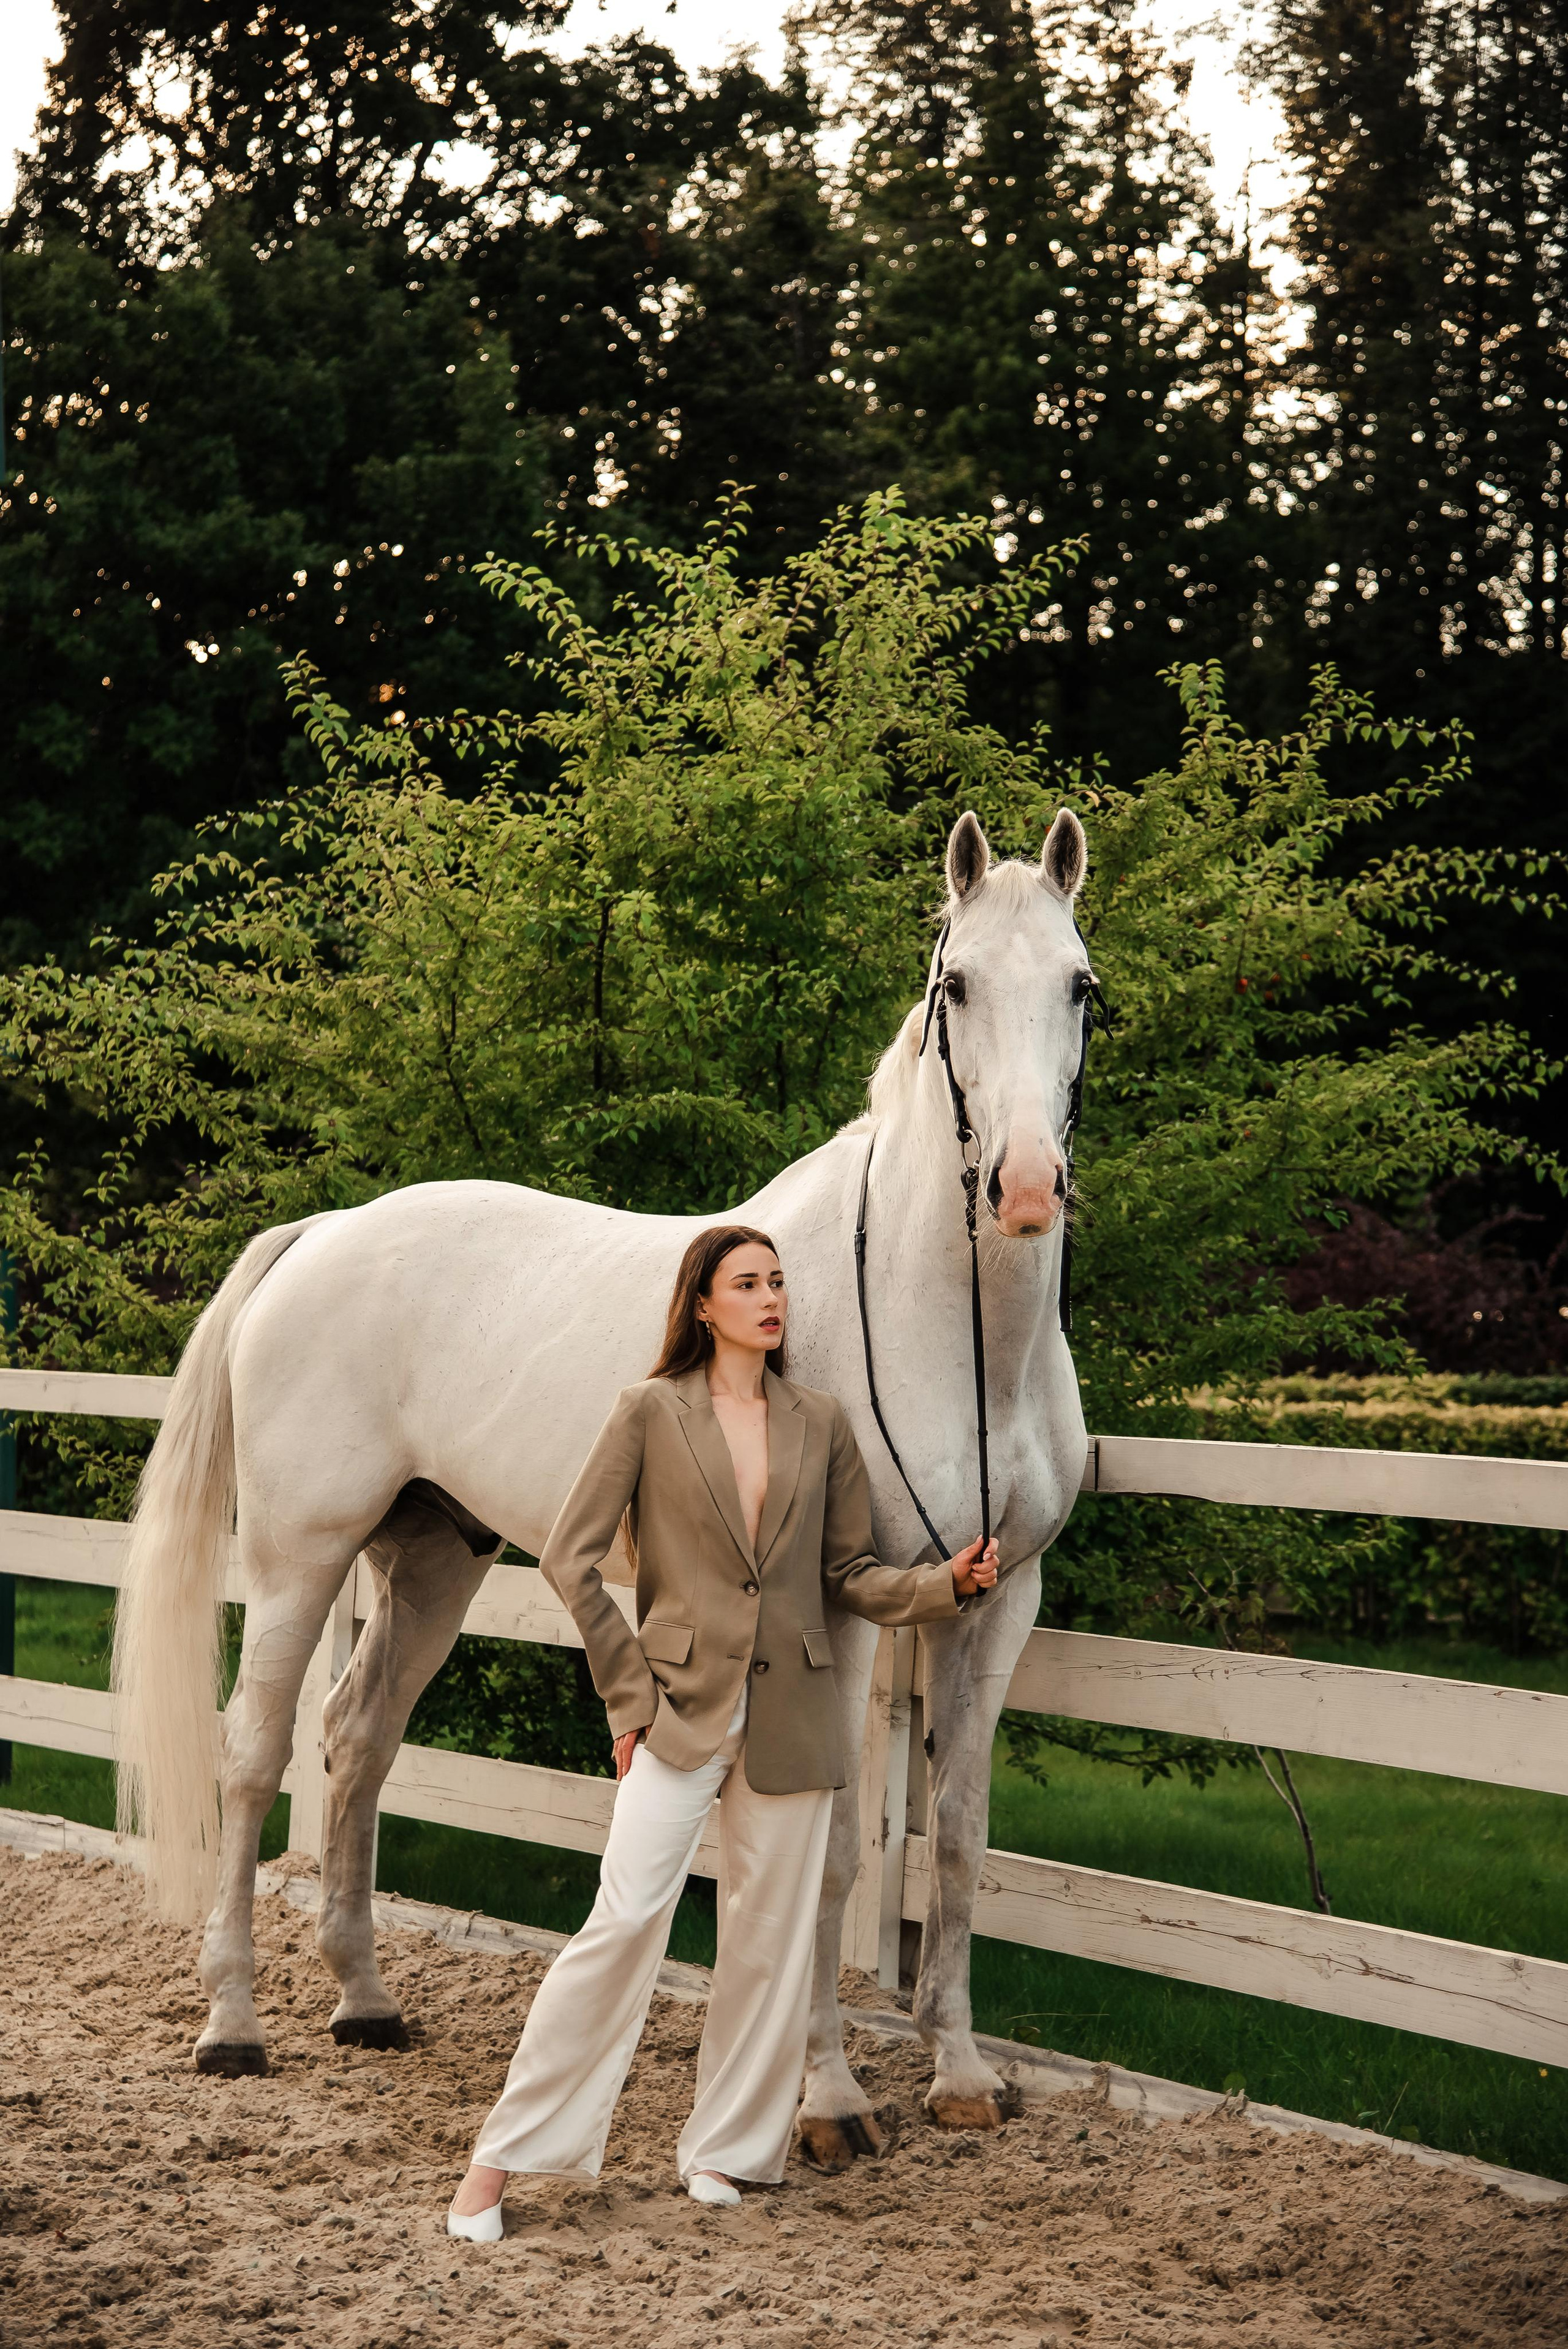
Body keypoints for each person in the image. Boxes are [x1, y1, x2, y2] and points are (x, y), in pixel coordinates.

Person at [447, 1224, 998, 2236]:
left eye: (779, 1280)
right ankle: (501, 2161)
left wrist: (943, 1585)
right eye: (748, 1282)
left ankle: (725, 2150)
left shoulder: (821, 1421)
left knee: (769, 1940)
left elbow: (846, 1577)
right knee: (621, 1925)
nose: (771, 1296)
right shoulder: (648, 1412)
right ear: (703, 1302)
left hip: (794, 1712)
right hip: (676, 1707)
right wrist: (629, 1695)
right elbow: (568, 1559)